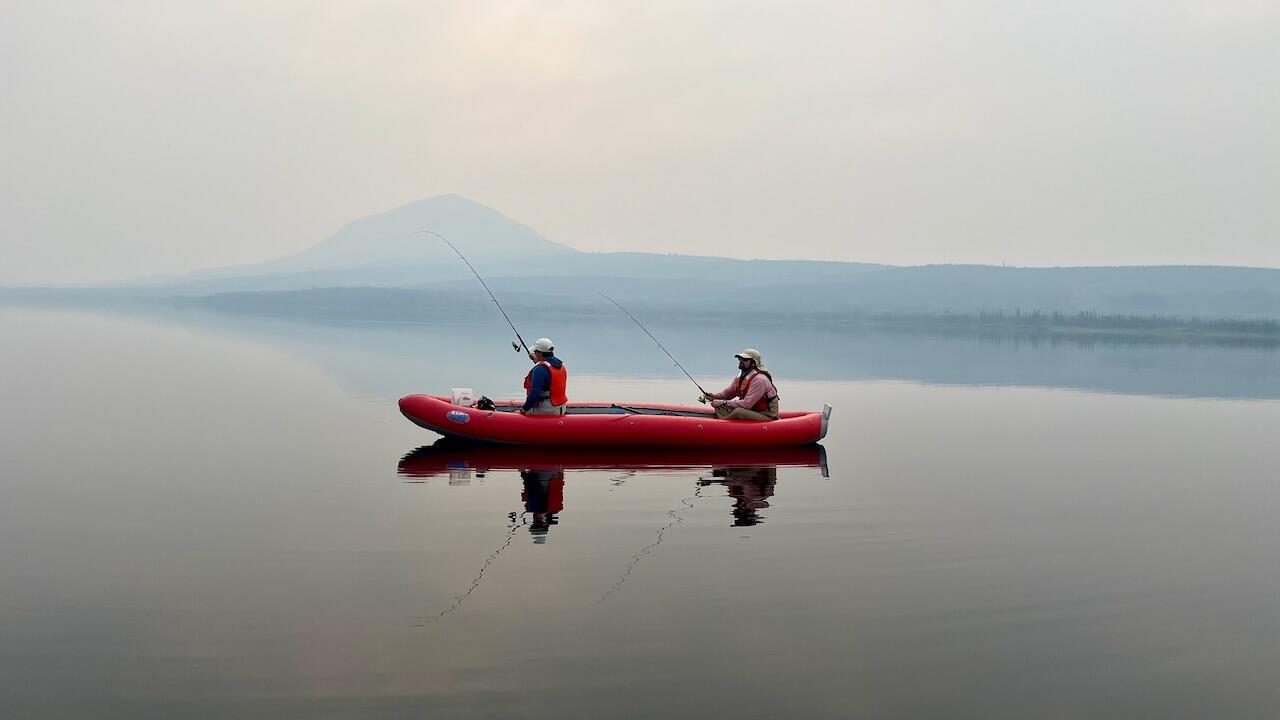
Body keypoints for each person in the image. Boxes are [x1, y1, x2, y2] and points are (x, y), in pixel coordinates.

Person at [702, 348, 779, 421]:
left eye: (745, 360)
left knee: (738, 411)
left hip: (766, 415)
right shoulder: (743, 375)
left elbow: (747, 404)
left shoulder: (760, 380)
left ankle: (722, 425)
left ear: (753, 363)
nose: (741, 361)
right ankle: (726, 420)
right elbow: (728, 393)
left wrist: (723, 402)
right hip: (752, 410)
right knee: (720, 406)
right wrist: (714, 396)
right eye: (740, 359)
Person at [520, 337, 568, 415]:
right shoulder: (560, 366)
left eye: (535, 351)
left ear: (540, 353)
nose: (534, 353)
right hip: (560, 408)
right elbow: (547, 366)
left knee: (519, 413)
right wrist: (538, 361)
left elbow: (534, 395)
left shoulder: (539, 369)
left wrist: (523, 410)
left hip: (547, 410)